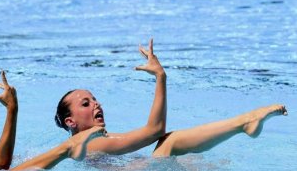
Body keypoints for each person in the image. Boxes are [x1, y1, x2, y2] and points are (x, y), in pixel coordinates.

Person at [55, 39, 287, 157]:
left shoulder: (91, 143)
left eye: (94, 99)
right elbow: (154, 130)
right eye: (86, 103)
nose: (96, 103)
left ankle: (243, 125)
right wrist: (160, 77)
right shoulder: (91, 144)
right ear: (70, 122)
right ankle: (243, 123)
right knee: (169, 141)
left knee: (176, 148)